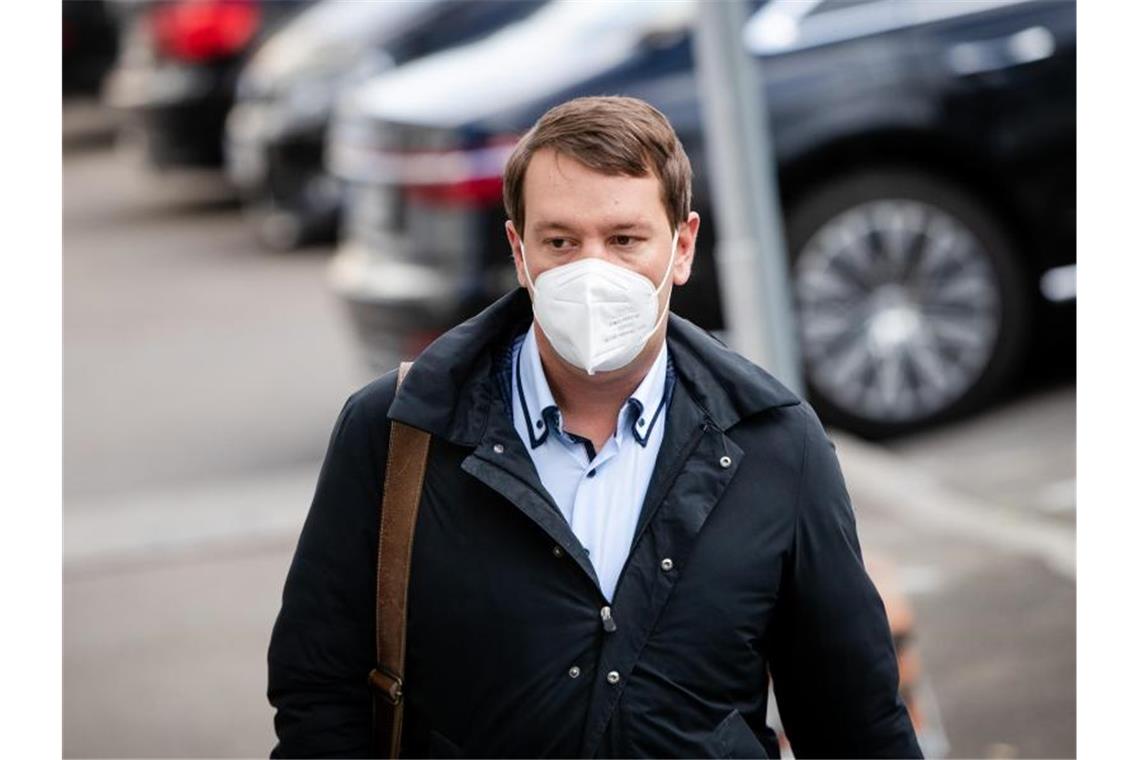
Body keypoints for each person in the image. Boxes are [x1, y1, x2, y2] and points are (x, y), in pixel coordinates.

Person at [267, 95, 922, 759]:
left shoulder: (775, 446)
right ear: (519, 252)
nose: (592, 272)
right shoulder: (398, 433)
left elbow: (857, 724)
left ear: (683, 246)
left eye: (625, 240)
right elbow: (318, 691)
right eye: (561, 242)